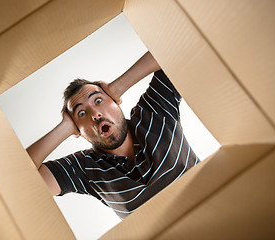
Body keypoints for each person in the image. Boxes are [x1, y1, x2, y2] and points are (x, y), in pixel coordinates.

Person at [26, 51, 199, 219]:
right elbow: (21, 181)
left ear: (115, 100)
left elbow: (176, 47)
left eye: (98, 101)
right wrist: (64, 128)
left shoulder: (153, 112)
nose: (95, 114)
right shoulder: (84, 168)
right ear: (77, 130)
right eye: (81, 113)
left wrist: (117, 86)